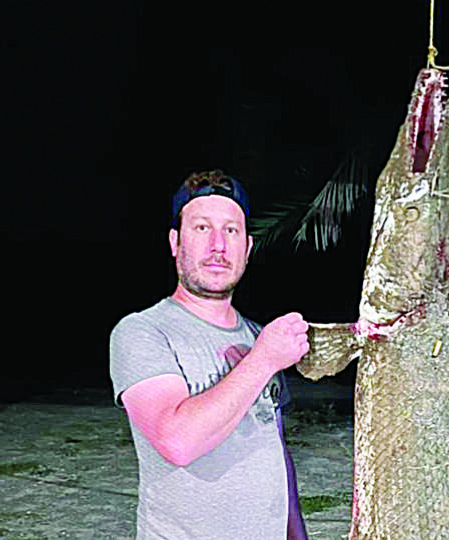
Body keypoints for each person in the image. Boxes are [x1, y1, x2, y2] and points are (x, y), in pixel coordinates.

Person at [110, 170, 311, 540]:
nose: (218, 245)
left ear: (247, 249)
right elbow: (176, 441)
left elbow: (275, 453)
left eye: (231, 231)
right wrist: (264, 359)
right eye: (202, 228)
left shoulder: (257, 336)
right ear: (175, 242)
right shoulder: (142, 332)